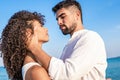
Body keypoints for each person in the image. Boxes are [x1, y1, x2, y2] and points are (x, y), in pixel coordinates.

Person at [27, 0, 107, 80]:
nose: (59, 22)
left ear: (77, 15)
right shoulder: (69, 44)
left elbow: (67, 74)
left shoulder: (90, 37)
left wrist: (34, 48)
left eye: (62, 17)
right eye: (57, 19)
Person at [1, 10, 51, 80]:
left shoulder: (30, 68)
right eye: (41, 26)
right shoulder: (36, 71)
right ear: (28, 33)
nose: (46, 29)